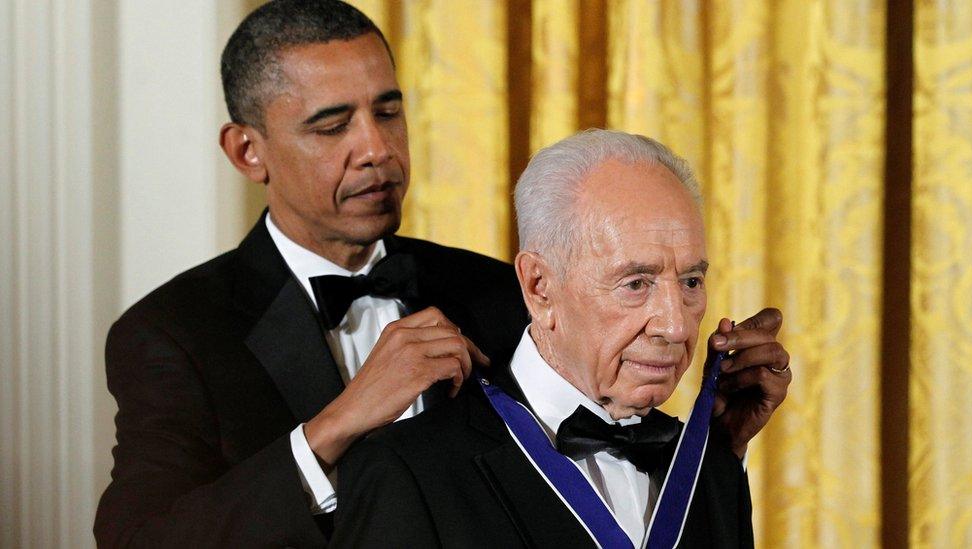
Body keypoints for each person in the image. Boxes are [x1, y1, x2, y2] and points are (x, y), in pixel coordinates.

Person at [94, 1, 526, 547]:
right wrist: (336, 426)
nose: (376, 149)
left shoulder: (501, 293)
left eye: (388, 113)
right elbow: (140, 538)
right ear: (248, 151)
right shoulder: (172, 334)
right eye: (332, 126)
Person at [331, 130, 792, 548]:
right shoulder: (408, 472)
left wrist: (717, 461)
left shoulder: (708, 467)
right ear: (539, 287)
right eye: (636, 284)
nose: (675, 327)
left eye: (691, 282)